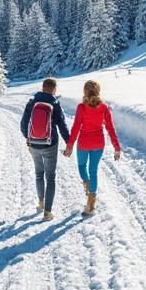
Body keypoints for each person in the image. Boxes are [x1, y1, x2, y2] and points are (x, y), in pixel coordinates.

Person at [62, 80, 122, 217]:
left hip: (83, 143)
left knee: (82, 166)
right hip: (98, 143)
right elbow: (110, 128)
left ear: (85, 91)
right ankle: (91, 203)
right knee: (93, 170)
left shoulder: (81, 107)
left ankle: (87, 184)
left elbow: (76, 127)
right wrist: (116, 147)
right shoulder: (104, 107)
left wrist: (70, 145)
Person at [20, 77, 71, 221]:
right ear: (54, 90)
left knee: (38, 174)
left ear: (42, 88)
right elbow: (62, 125)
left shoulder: (32, 102)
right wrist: (69, 143)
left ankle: (41, 203)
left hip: (34, 144)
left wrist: (28, 139)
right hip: (50, 144)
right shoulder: (55, 103)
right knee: (50, 177)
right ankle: (47, 212)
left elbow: (23, 123)